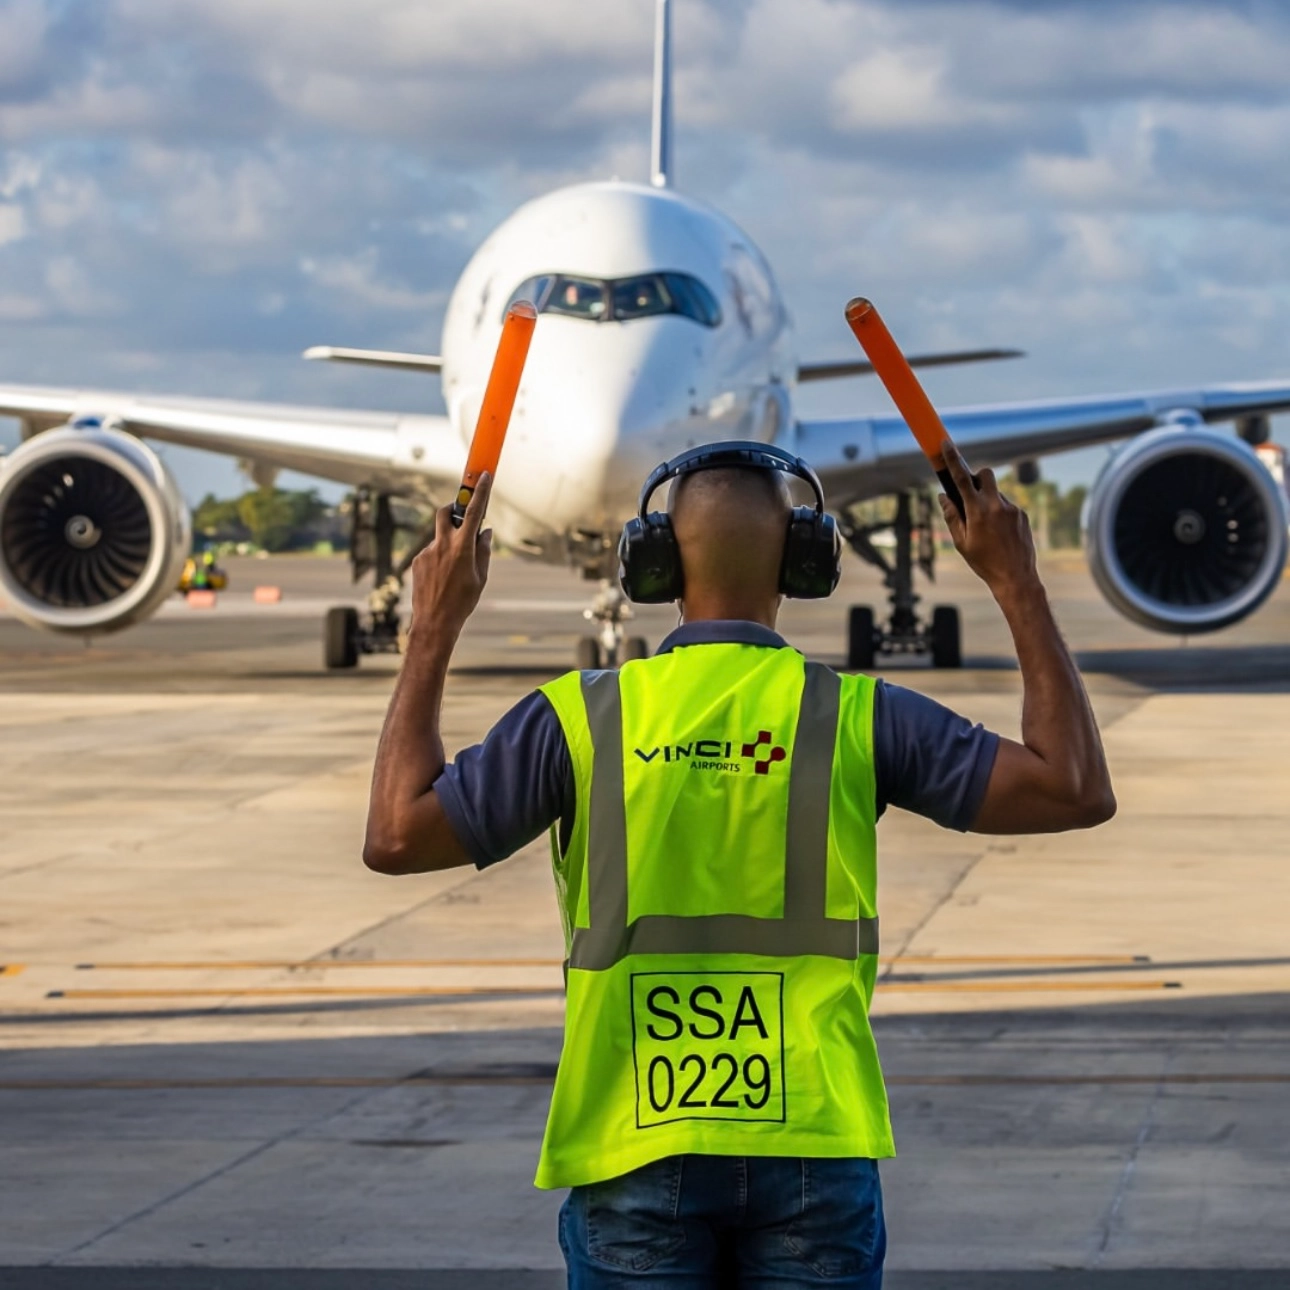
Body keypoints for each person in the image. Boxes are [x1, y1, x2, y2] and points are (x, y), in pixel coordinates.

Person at [364, 443, 1115, 1288]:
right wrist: (1018, 583)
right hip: (813, 1141)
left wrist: (433, 626)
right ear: (805, 560)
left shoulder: (577, 720)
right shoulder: (857, 717)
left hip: (632, 1139)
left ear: (651, 563)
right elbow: (1073, 789)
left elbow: (396, 836)